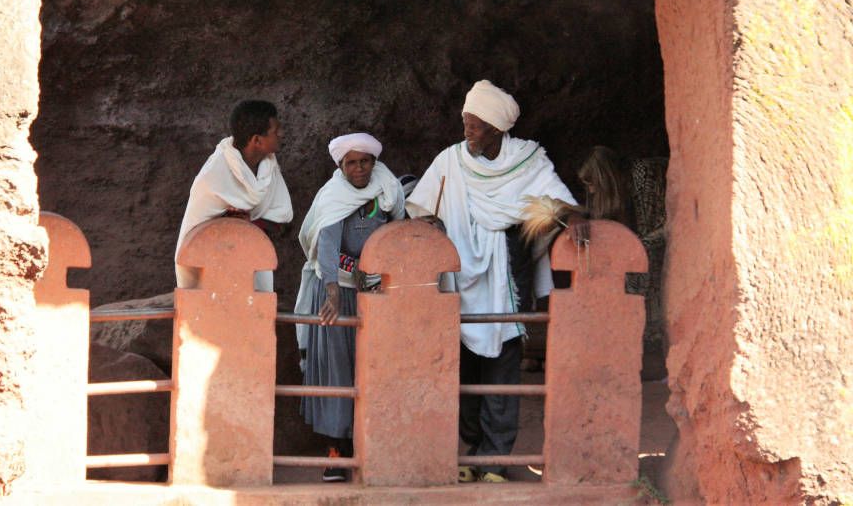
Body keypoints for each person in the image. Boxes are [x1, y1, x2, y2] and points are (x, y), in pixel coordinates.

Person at [405, 80, 587, 483]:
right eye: (466, 123)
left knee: (503, 370)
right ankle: (475, 451)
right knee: (464, 371)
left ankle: (495, 459)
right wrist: (434, 224)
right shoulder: (451, 160)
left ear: (498, 129)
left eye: (475, 126)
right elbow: (419, 207)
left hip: (507, 276)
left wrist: (574, 219)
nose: (467, 131)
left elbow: (560, 200)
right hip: (459, 280)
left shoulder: (528, 160)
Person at [294, 132, 406, 482]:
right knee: (336, 370)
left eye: (365, 161)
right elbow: (326, 245)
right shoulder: (333, 197)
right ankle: (336, 451)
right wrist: (332, 293)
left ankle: (374, 446)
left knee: (375, 367)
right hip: (334, 293)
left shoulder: (388, 190)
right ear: (340, 167)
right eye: (351, 163)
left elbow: (396, 233)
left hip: (372, 293)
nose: (359, 168)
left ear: (374, 162)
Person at [174, 100, 292, 291]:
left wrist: (248, 226)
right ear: (257, 141)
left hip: (250, 260)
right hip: (210, 266)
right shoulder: (214, 175)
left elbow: (279, 218)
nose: (282, 134)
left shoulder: (268, 166)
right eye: (275, 130)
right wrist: (232, 225)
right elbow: (201, 231)